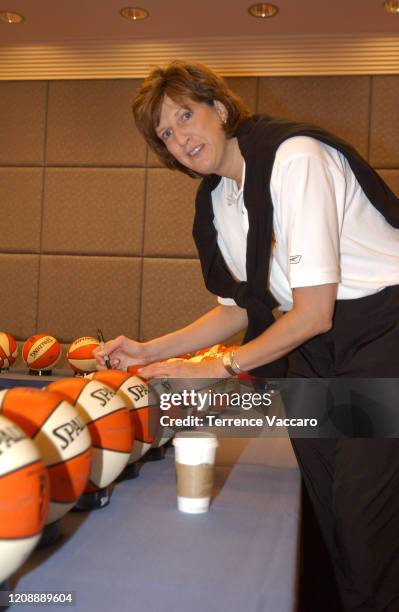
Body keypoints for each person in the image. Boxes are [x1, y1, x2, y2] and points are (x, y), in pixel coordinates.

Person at [95, 61, 399, 611]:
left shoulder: (294, 158)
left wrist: (218, 367)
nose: (181, 138)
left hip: (381, 335)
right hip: (313, 347)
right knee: (328, 505)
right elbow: (242, 308)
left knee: (363, 516)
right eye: (165, 132)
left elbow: (313, 312)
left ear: (221, 108)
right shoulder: (219, 197)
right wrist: (153, 349)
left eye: (186, 115)